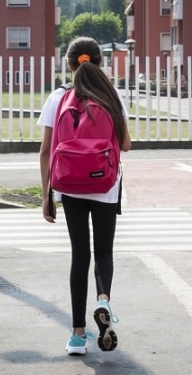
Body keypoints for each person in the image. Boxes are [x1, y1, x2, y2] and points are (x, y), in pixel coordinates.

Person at [39, 37, 133, 355]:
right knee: (103, 252)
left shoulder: (58, 97)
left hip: (69, 185)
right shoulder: (111, 95)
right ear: (100, 62)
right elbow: (127, 144)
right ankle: (103, 301)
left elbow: (45, 151)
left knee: (80, 254)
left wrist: (46, 195)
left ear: (68, 63)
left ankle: (78, 336)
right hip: (105, 185)